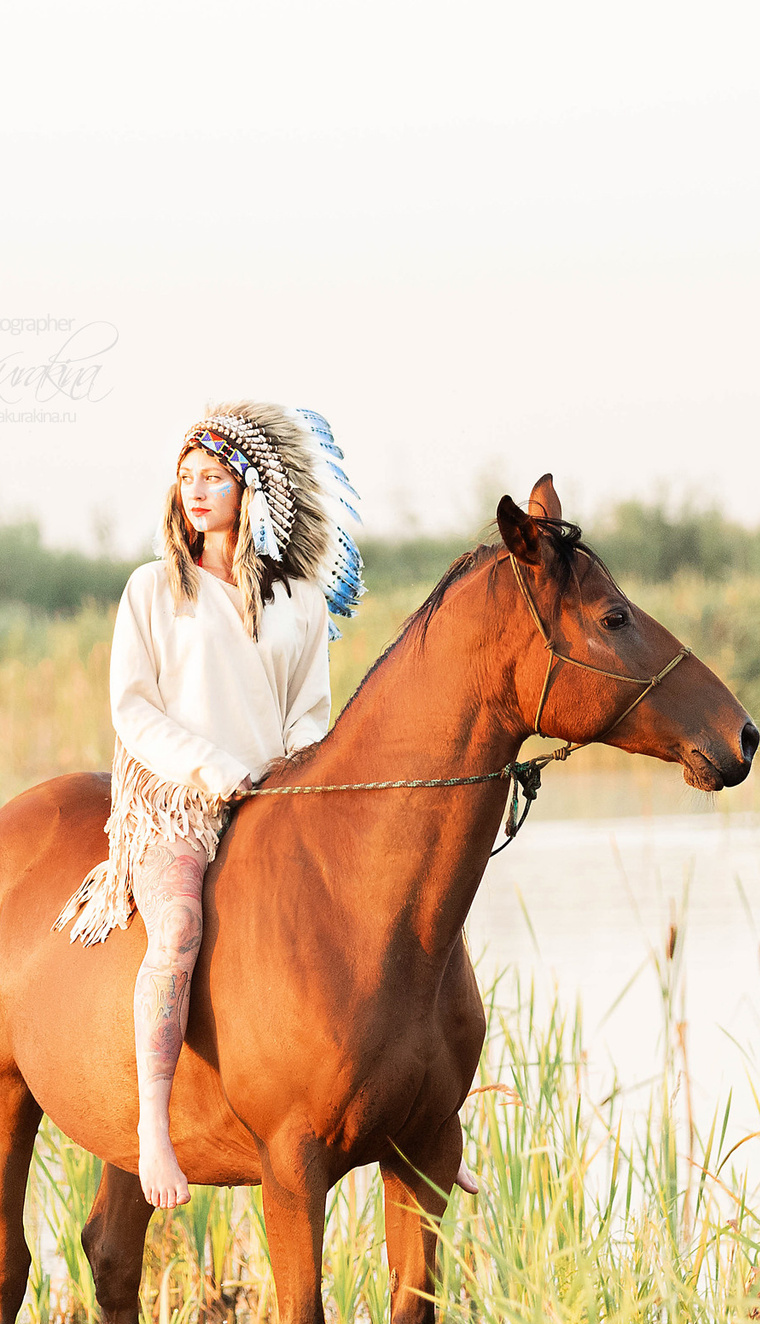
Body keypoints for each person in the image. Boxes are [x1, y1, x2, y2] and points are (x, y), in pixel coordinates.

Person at [58, 401, 486, 1208]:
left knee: (405, 920)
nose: (195, 490)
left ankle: (429, 1120)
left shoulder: (298, 602)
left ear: (249, 489)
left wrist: (284, 776)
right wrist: (209, 765)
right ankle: (152, 1125)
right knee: (178, 926)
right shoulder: (152, 590)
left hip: (270, 798)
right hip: (175, 801)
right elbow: (133, 708)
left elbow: (308, 718)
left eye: (212, 477)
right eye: (186, 477)